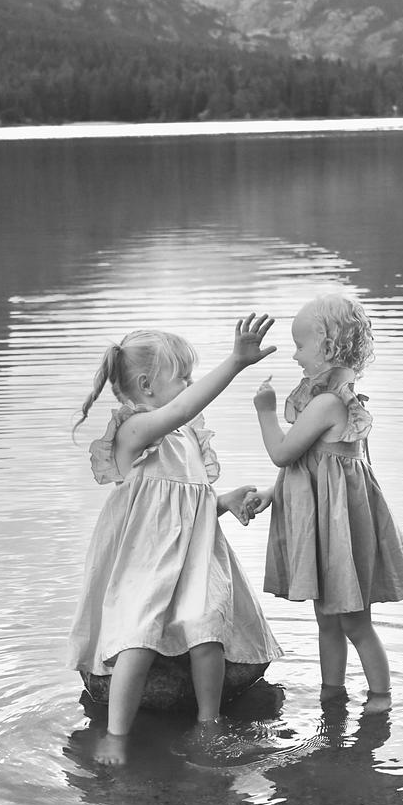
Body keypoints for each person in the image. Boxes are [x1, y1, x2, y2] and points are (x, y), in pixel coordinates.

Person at [67, 314, 283, 765]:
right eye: (183, 377)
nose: (189, 385)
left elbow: (188, 504)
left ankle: (209, 723)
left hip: (195, 557)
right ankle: (116, 735)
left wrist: (223, 501)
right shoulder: (135, 431)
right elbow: (181, 410)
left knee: (208, 632)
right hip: (146, 560)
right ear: (147, 386)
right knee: (139, 638)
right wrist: (235, 362)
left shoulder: (185, 437)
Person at [250, 292, 403, 711]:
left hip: (339, 534)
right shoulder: (338, 401)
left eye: (300, 346)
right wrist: (274, 494)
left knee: (355, 624)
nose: (295, 355)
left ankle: (380, 698)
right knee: (328, 621)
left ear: (327, 348)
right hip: (332, 529)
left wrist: (265, 412)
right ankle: (332, 693)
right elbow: (314, 468)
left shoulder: (328, 403)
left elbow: (283, 454)